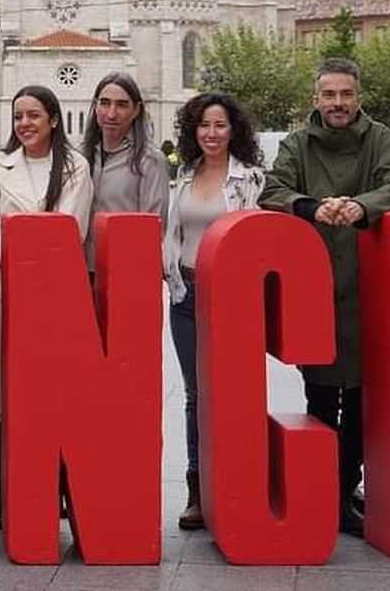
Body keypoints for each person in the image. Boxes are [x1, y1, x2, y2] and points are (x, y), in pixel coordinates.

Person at [260, 57, 390, 537]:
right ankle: (328, 488)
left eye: (346, 95)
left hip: (369, 288)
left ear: (357, 98)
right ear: (316, 99)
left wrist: (358, 205)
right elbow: (274, 190)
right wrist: (312, 206)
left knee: (364, 400)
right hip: (316, 288)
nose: (338, 104)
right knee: (322, 397)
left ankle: (346, 486)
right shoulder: (297, 144)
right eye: (329, 95)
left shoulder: (381, 138)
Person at [0, 85, 94, 531]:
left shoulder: (75, 167)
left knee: (51, 394)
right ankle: (3, 495)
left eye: (34, 116)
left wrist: (30, 247)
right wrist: (21, 251)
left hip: (55, 292)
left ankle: (55, 488)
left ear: (54, 120)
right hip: (3, 286)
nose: (25, 123)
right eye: (19, 115)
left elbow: (69, 228)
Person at [163, 91, 265, 532]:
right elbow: (174, 232)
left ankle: (238, 484)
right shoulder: (184, 176)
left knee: (233, 391)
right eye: (204, 125)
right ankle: (197, 489)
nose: (211, 133)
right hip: (187, 296)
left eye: (220, 125)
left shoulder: (251, 179)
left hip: (231, 298)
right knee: (194, 395)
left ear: (234, 130)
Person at [82, 72, 170, 276]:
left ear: (136, 110)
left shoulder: (150, 160)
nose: (111, 113)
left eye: (121, 105)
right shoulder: (81, 156)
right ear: (95, 106)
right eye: (105, 103)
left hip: (125, 270)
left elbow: (153, 226)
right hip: (84, 268)